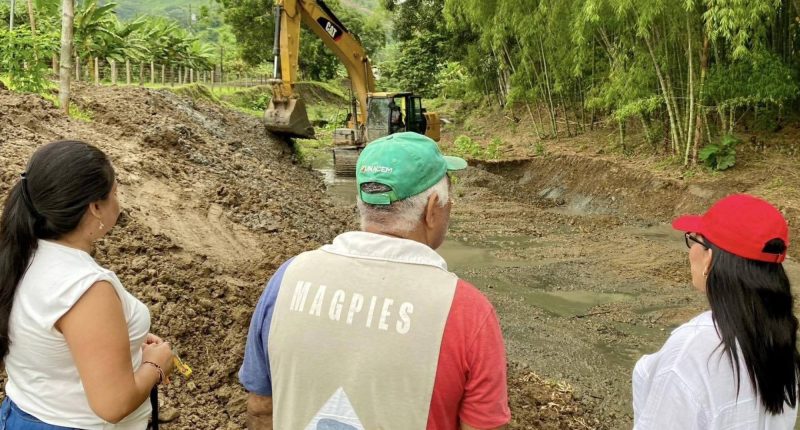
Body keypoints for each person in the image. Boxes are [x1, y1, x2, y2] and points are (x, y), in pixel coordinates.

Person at [240, 132, 511, 429]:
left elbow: (261, 407)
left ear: (362, 202)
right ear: (433, 209)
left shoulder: (287, 278)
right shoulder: (467, 312)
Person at [0, 140, 174, 429]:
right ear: (95, 207)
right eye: (115, 193)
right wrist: (156, 365)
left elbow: (53, 337)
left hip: (22, 415)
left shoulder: (21, 254)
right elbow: (113, 404)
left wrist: (121, 336)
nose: (118, 202)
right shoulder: (86, 288)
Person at [633, 194, 799, 429]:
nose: (691, 251)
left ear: (709, 258)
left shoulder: (692, 350)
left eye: (694, 240)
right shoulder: (780, 337)